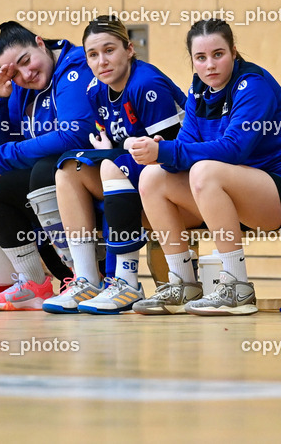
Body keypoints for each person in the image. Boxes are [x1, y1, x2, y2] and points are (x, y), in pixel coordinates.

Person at [128, 19, 281, 316]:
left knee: (205, 171)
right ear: (192, 61)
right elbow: (188, 143)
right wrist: (159, 154)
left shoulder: (254, 85)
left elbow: (235, 148)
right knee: (152, 176)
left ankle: (236, 285)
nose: (210, 65)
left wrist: (164, 149)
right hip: (236, 190)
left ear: (234, 52)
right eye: (201, 58)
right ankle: (183, 282)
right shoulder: (199, 89)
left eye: (218, 54)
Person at [40, 16, 185, 314]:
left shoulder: (146, 83)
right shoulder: (95, 90)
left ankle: (126, 281)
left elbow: (172, 151)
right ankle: (87, 279)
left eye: (109, 50)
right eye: (93, 55)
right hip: (134, 172)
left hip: (175, 179)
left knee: (111, 167)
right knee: (67, 170)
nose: (101, 61)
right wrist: (113, 150)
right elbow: (117, 141)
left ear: (129, 49)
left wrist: (119, 153)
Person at [0, 22, 96, 311]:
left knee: (46, 170)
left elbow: (74, 133)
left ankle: (87, 275)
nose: (25, 74)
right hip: (50, 176)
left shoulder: (75, 66)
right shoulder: (21, 89)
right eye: (14, 73)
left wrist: (6, 155)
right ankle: (32, 282)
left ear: (40, 43)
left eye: (26, 61)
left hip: (91, 171)